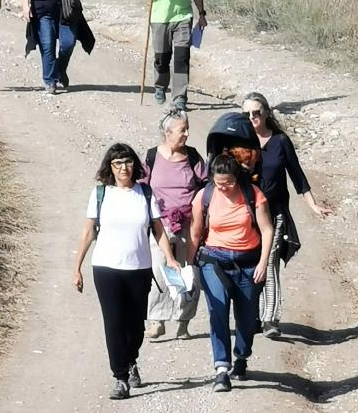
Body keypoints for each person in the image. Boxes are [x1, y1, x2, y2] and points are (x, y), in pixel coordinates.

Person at [73, 143, 183, 400]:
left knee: (136, 325)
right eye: (118, 163)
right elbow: (88, 231)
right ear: (110, 167)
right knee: (113, 323)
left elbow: (158, 229)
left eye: (128, 162)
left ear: (135, 165)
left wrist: (169, 257)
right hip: (106, 268)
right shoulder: (100, 193)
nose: (124, 168)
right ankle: (120, 377)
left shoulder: (144, 193)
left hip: (139, 268)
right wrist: (76, 267)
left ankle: (131, 359)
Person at [242, 92, 332, 338]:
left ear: (267, 113)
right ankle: (254, 315)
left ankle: (270, 318)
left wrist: (313, 205)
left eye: (256, 113)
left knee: (269, 263)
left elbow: (297, 175)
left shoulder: (280, 142)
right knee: (251, 263)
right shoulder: (239, 141)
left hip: (275, 213)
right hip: (246, 215)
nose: (252, 118)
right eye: (247, 114)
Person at [187, 153, 274, 392]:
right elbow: (195, 233)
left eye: (229, 183)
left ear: (238, 177)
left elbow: (267, 230)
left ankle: (241, 356)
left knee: (246, 321)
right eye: (219, 183)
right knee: (218, 312)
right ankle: (221, 370)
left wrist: (263, 263)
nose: (224, 187)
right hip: (214, 260)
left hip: (248, 262)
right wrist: (189, 265)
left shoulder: (253, 194)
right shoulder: (203, 196)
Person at [141, 109, 208, 340]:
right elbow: (141, 186)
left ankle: (183, 322)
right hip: (160, 223)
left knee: (189, 272)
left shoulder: (192, 157)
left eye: (187, 129)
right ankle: (157, 321)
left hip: (189, 224)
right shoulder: (151, 156)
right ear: (167, 133)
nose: (187, 134)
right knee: (159, 272)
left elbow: (207, 185)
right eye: (182, 130)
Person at [140, 0, 207, 111]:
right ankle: (160, 85)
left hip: (183, 16)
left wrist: (201, 13)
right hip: (160, 17)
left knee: (182, 57)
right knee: (162, 58)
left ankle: (179, 97)